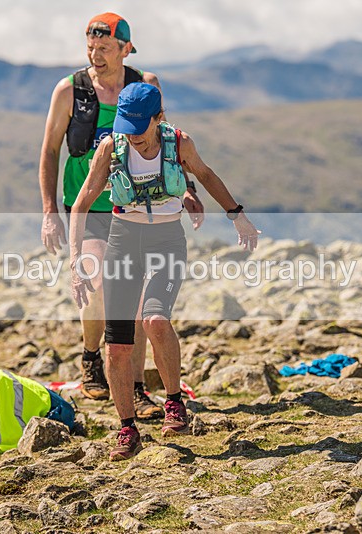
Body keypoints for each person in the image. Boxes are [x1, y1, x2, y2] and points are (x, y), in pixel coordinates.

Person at [69, 82, 261, 460]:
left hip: (166, 241)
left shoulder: (179, 143)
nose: (134, 135)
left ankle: (175, 401)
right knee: (117, 347)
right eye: (128, 125)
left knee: (155, 320)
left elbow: (206, 176)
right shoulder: (111, 147)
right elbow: (81, 203)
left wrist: (238, 217)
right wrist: (77, 261)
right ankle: (127, 428)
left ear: (159, 118)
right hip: (123, 241)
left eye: (141, 126)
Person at [38, 13, 204, 418]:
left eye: (104, 49)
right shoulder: (69, 91)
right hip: (90, 206)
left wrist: (189, 190)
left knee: (134, 304)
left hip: (137, 209)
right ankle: (91, 355)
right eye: (90, 48)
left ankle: (134, 388)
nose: (95, 55)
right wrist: (48, 211)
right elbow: (49, 151)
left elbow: (167, 142)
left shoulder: (145, 86)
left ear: (127, 48)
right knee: (96, 286)